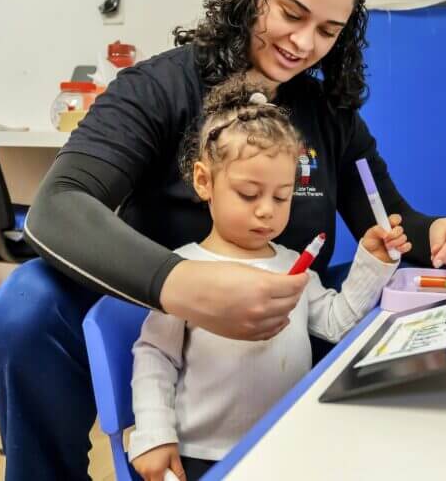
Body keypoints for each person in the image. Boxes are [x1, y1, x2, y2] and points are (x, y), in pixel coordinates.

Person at [0, 0, 446, 481]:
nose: (303, 44)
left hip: (288, 324)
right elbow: (58, 207)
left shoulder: (329, 116)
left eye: (328, 30)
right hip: (160, 310)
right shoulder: (159, 89)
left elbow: (393, 220)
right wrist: (179, 285)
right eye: (292, 14)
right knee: (23, 308)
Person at [129, 76, 408, 481]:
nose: (267, 211)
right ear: (204, 181)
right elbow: (155, 356)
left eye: (282, 196)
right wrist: (154, 434)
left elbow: (336, 323)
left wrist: (373, 261)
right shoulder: (184, 272)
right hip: (204, 456)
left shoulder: (293, 263)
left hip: (286, 447)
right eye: (248, 194)